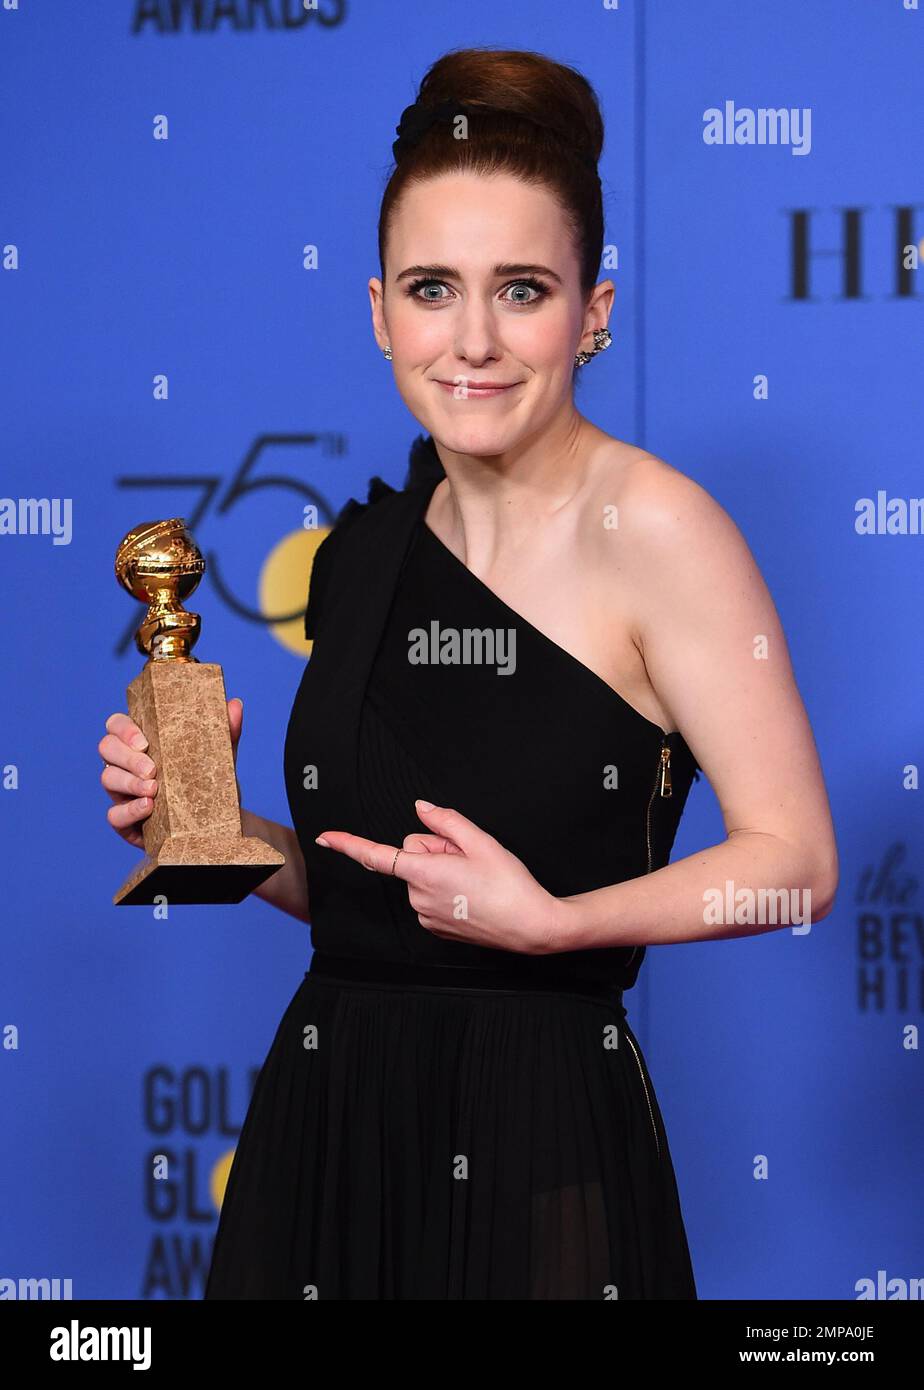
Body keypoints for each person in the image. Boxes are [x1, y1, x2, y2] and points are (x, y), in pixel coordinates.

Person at [99, 48, 838, 1300]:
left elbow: (798, 871)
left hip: (538, 1131)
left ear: (593, 311)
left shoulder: (662, 533)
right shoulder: (362, 551)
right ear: (382, 309)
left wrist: (559, 922)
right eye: (435, 289)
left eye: (525, 289)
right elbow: (373, 892)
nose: (475, 341)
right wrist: (211, 825)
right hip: (329, 1121)